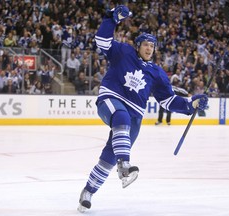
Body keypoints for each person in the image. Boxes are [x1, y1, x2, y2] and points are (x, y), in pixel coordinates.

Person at [77, 5, 208, 213]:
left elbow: (168, 101)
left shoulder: (157, 73)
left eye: (152, 46)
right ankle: (125, 165)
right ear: (138, 46)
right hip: (111, 100)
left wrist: (191, 104)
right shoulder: (123, 52)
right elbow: (102, 41)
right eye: (146, 44)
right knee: (121, 117)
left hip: (134, 118)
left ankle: (88, 193)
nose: (149, 48)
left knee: (108, 159)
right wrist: (112, 18)